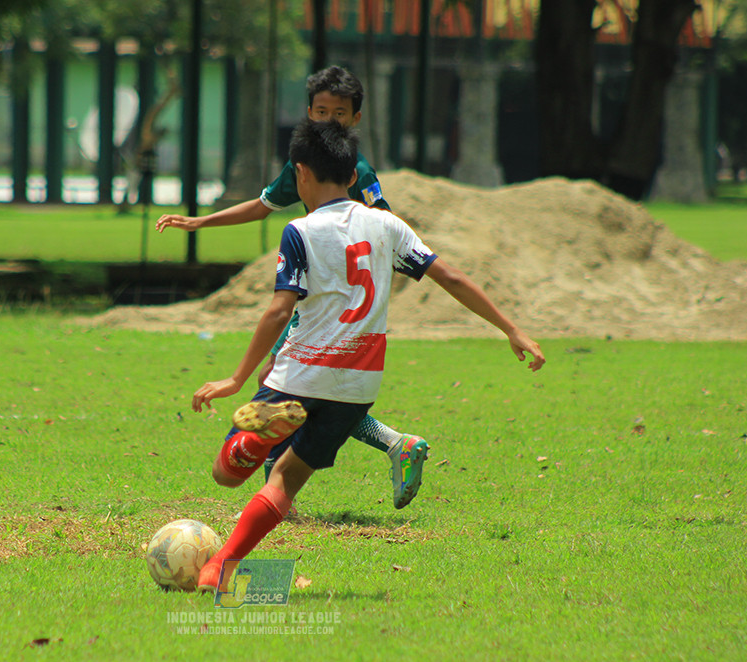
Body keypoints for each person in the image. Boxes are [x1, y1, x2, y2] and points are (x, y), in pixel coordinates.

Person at [189, 119, 545, 591]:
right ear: (353, 177)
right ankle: (222, 568)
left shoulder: (300, 230)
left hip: (297, 377)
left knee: (225, 474)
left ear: (300, 174)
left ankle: (254, 443)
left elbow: (279, 310)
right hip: (356, 389)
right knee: (285, 482)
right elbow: (453, 277)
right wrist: (512, 329)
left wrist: (235, 380)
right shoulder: (387, 225)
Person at [158, 65, 428, 510]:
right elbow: (262, 205)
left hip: (335, 304)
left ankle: (280, 496)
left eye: (338, 113)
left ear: (355, 118)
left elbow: (386, 222)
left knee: (286, 384)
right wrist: (202, 221)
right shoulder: (303, 165)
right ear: (308, 112)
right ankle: (392, 445)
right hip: (318, 297)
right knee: (310, 390)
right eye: (321, 111)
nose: (329, 121)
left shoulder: (353, 168)